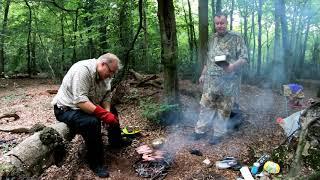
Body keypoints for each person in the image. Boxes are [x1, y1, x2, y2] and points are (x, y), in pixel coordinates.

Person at [51, 53, 124, 177]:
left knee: (112, 111)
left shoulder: (106, 75)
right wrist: (103, 115)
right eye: (111, 71)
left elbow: (107, 96)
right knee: (91, 122)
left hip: (87, 104)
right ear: (102, 64)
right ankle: (96, 163)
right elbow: (80, 101)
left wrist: (107, 112)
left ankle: (116, 141)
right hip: (67, 109)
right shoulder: (83, 70)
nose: (111, 75)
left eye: (113, 73)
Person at [192, 12, 248, 145]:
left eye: (222, 23)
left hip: (228, 83)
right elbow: (208, 60)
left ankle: (217, 135)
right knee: (205, 107)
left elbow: (244, 58)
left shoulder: (236, 37)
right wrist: (203, 74)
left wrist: (232, 67)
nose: (219, 26)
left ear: (226, 22)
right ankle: (199, 132)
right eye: (217, 23)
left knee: (223, 110)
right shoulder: (212, 39)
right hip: (211, 83)